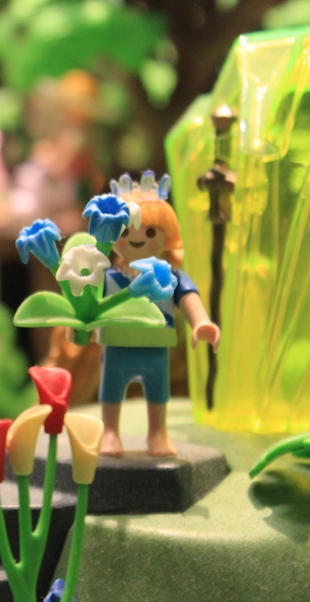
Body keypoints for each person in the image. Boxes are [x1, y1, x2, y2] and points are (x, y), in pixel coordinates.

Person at [99, 172, 220, 457]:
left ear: (168, 235)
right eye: (125, 232)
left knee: (157, 391)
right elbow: (88, 305)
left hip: (155, 346)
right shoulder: (107, 276)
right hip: (116, 345)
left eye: (150, 232)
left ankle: (158, 433)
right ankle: (109, 432)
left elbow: (187, 295)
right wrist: (78, 325)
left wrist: (201, 321)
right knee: (112, 389)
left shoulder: (168, 276)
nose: (136, 239)